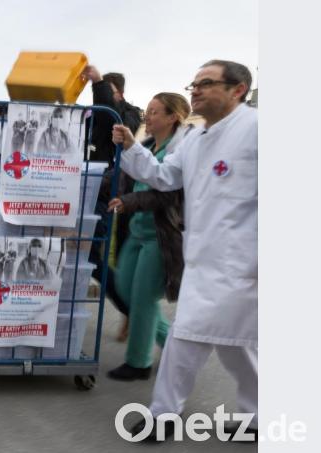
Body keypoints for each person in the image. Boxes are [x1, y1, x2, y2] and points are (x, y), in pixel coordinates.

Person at [112, 60, 257, 440]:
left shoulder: (257, 129)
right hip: (202, 259)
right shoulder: (194, 140)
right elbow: (163, 177)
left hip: (245, 265)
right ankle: (257, 415)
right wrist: (131, 147)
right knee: (234, 345)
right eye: (193, 84)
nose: (195, 90)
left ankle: (163, 416)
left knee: (196, 338)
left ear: (237, 89)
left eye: (206, 83)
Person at [105, 93, 192, 382]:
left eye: (155, 112)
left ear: (172, 117)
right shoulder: (147, 145)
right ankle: (174, 349)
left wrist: (129, 201)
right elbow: (124, 175)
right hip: (137, 230)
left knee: (143, 298)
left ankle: (138, 362)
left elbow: (167, 193)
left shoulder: (180, 151)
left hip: (160, 235)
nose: (148, 116)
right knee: (124, 287)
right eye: (148, 111)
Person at [80, 66, 143, 340]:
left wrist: (98, 82)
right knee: (80, 255)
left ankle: (134, 310)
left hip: (103, 193)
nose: (101, 94)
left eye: (108, 90)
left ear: (120, 93)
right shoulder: (92, 113)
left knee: (92, 257)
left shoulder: (129, 114)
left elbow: (113, 124)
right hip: (80, 189)